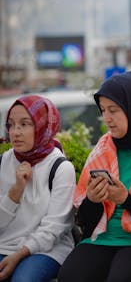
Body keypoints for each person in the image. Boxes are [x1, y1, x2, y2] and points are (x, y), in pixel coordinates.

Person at [58, 71, 131, 282]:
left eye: (114, 110)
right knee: (70, 276)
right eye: (103, 111)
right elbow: (85, 225)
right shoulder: (102, 148)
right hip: (102, 237)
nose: (107, 118)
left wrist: (125, 200)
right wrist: (92, 199)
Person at [0, 95, 75, 281]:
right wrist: (16, 190)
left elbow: (55, 228)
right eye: (11, 125)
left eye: (25, 124)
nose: (15, 132)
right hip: (4, 245)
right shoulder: (4, 161)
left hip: (48, 250)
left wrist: (19, 255)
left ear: (43, 126)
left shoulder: (60, 167)